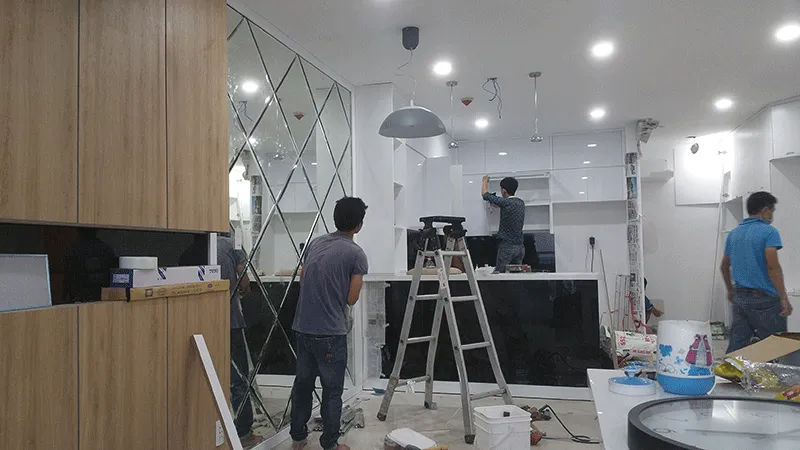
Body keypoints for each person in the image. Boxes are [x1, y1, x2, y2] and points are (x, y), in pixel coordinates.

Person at [290, 197, 369, 450]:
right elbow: (352, 298)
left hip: (302, 327)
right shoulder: (356, 253)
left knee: (302, 385)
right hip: (330, 332)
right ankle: (331, 444)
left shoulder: (315, 243)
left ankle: (298, 438)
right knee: (332, 391)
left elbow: (303, 278)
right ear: (359, 225)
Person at [180, 233, 262, 448]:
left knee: (207, 374)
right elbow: (244, 279)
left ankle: (204, 430)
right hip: (230, 321)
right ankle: (243, 433)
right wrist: (243, 289)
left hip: (198, 325)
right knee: (238, 378)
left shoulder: (187, 253)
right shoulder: (230, 245)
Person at [721, 191, 793, 353]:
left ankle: (730, 369)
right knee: (777, 348)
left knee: (737, 348)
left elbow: (724, 266)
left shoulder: (734, 234)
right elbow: (773, 268)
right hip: (765, 300)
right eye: (772, 210)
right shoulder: (769, 232)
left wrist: (730, 290)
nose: (772, 215)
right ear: (765, 210)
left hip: (740, 299)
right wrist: (783, 298)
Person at [481, 176, 525, 273]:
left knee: (500, 275)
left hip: (507, 247)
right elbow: (503, 206)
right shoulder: (520, 203)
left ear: (504, 190)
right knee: (515, 276)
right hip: (520, 247)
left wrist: (485, 180)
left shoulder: (506, 202)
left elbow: (484, 194)